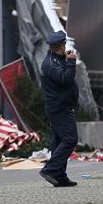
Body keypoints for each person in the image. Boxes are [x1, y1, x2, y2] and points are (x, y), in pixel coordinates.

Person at [38, 31, 79, 187]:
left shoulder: (55, 60)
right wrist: (71, 61)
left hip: (60, 107)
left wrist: (66, 59)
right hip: (60, 108)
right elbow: (65, 78)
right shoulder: (50, 64)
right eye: (64, 45)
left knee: (59, 142)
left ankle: (60, 177)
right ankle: (50, 169)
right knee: (70, 139)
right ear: (60, 46)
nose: (65, 47)